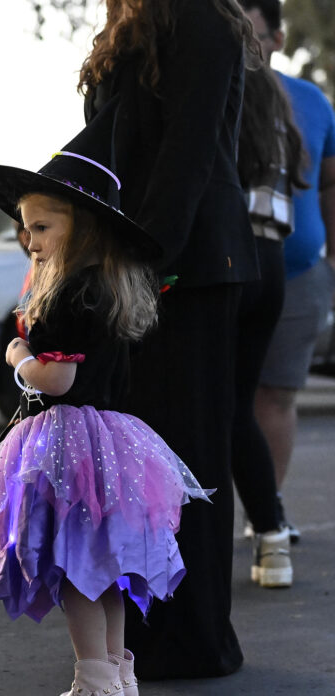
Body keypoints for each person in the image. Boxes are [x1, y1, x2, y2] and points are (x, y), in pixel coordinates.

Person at [0, 104, 212, 696]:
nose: (29, 240)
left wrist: (18, 357)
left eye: (41, 228)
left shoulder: (63, 298)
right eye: (26, 229)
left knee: (75, 567)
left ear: (83, 228)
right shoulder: (111, 289)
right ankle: (117, 674)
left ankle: (92, 683)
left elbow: (57, 379)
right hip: (117, 439)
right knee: (107, 565)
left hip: (67, 442)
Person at [80, 0, 260, 678]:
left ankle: (194, 639)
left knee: (190, 460)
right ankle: (144, 636)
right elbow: (108, 146)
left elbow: (186, 157)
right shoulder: (126, 33)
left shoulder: (204, 25)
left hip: (188, 269)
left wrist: (147, 265)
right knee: (140, 465)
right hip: (142, 258)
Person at [240, 0, 335, 546]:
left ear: (276, 38)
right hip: (228, 273)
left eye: (250, 34)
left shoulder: (311, 101)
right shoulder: (210, 92)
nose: (242, 47)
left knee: (274, 396)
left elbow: (330, 184)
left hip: (299, 274)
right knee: (218, 398)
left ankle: (265, 514)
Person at [232, 61, 308, 588]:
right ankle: (272, 537)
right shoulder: (273, 94)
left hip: (228, 259)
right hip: (272, 261)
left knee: (206, 406)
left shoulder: (218, 81)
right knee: (240, 407)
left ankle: (196, 545)